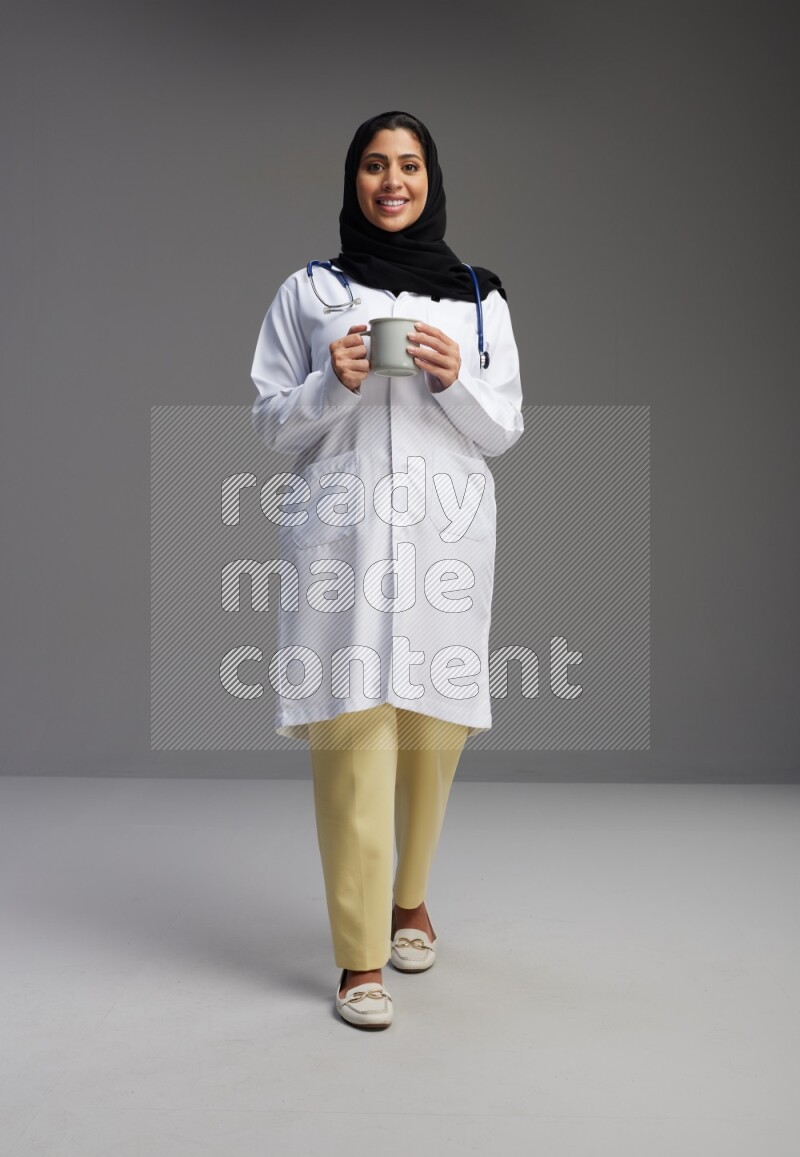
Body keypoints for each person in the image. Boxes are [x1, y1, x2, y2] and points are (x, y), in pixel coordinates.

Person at [249, 110, 524, 1029]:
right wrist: (334, 380)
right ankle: (359, 957)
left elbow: (505, 430)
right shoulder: (309, 291)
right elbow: (269, 423)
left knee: (432, 737)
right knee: (352, 738)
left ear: (431, 178)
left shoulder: (480, 299)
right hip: (347, 545)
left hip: (445, 544)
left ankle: (411, 900)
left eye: (408, 165)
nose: (392, 181)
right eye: (374, 165)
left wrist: (456, 380)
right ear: (352, 180)